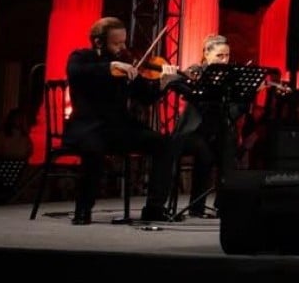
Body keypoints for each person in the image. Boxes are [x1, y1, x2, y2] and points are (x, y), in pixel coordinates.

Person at [63, 16, 180, 225]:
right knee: (93, 149)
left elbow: (145, 96)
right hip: (88, 127)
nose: (122, 47)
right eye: (117, 43)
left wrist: (164, 84)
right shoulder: (81, 58)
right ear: (99, 42)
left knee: (164, 144)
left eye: (124, 42)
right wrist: (110, 66)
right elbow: (77, 72)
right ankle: (83, 209)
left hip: (119, 128)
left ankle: (154, 208)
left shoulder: (127, 66)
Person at [169, 33, 241, 219]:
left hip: (217, 131)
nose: (224, 60)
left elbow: (236, 110)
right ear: (206, 55)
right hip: (191, 132)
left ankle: (223, 205)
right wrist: (199, 89)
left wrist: (242, 96)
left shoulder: (230, 78)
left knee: (229, 149)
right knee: (204, 152)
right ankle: (196, 207)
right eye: (220, 56)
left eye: (227, 56)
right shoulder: (196, 71)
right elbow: (175, 82)